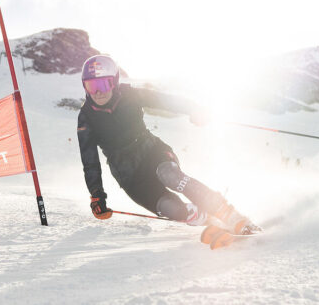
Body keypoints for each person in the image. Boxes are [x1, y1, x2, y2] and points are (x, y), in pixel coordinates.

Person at [76, 55, 259, 235]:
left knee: (171, 176)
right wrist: (97, 195)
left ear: (114, 82)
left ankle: (231, 216)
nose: (98, 92)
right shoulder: (86, 118)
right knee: (173, 210)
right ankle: (205, 218)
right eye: (91, 86)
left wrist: (194, 109)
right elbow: (90, 161)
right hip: (129, 177)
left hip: (152, 152)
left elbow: (165, 100)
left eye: (103, 84)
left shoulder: (130, 94)